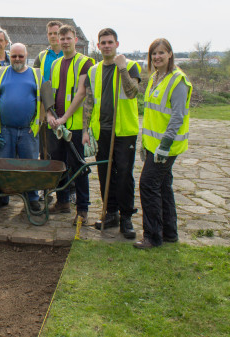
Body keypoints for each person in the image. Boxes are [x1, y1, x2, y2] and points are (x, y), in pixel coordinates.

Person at [82, 28, 141, 239]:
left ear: (117, 44)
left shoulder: (131, 66)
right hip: (102, 131)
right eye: (103, 42)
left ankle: (126, 217)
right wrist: (86, 129)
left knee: (124, 174)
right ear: (98, 46)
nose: (106, 45)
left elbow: (132, 93)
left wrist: (122, 69)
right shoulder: (94, 71)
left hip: (124, 131)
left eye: (110, 42)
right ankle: (111, 213)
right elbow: (88, 101)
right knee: (105, 173)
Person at [134, 39, 192, 249]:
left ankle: (152, 236)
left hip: (166, 147)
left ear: (170, 54)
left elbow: (177, 116)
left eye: (161, 53)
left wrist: (165, 145)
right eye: (153, 54)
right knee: (164, 187)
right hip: (153, 145)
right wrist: (145, 144)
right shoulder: (155, 78)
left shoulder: (178, 81)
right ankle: (169, 232)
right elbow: (151, 114)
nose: (157, 57)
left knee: (148, 185)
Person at [46, 24, 94, 224]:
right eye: (61, 37)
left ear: (75, 40)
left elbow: (81, 93)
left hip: (73, 125)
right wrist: (49, 114)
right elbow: (48, 90)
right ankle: (62, 202)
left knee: (78, 167)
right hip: (56, 124)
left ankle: (82, 209)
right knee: (58, 165)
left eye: (68, 38)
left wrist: (64, 117)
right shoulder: (56, 63)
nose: (64, 41)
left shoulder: (85, 62)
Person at [0, 43, 42, 212]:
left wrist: (38, 123)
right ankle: (4, 196)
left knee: (30, 166)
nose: (17, 59)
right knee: (5, 165)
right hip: (5, 130)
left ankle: (32, 198)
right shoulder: (1, 73)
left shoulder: (36, 74)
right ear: (10, 56)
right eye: (14, 56)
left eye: (21, 56)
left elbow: (45, 100)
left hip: (28, 130)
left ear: (27, 56)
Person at [33, 20, 63, 202]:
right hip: (46, 111)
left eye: (57, 33)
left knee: (66, 152)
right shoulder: (42, 56)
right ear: (47, 35)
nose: (54, 36)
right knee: (46, 152)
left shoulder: (70, 56)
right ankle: (47, 190)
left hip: (66, 109)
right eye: (51, 33)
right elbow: (37, 82)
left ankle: (69, 191)